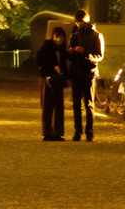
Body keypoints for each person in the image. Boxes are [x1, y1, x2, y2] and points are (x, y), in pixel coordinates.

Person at [68, 9, 103, 141]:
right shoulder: (74, 35)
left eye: (80, 21)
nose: (78, 24)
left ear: (86, 21)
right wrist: (70, 52)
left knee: (88, 103)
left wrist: (85, 52)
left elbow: (99, 55)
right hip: (76, 72)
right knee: (76, 104)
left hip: (89, 73)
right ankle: (77, 131)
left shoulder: (96, 35)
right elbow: (70, 54)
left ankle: (89, 132)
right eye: (76, 22)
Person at [36, 26, 69, 141]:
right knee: (48, 106)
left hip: (58, 80)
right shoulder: (47, 46)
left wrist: (66, 76)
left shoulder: (62, 49)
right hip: (48, 79)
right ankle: (47, 133)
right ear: (52, 36)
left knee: (59, 106)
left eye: (61, 37)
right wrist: (52, 67)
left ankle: (58, 133)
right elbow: (40, 60)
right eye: (57, 36)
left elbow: (64, 64)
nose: (59, 39)